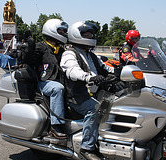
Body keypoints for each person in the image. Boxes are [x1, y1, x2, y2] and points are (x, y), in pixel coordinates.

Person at [60, 21, 114, 160]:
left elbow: (105, 68)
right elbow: (72, 71)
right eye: (86, 33)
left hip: (93, 93)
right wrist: (90, 78)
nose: (90, 35)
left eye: (91, 33)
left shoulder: (91, 54)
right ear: (76, 35)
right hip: (77, 97)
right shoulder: (69, 53)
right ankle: (87, 148)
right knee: (96, 110)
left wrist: (120, 72)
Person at [35, 19, 69, 139]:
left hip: (57, 80)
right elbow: (28, 58)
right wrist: (28, 49)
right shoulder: (39, 47)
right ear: (51, 30)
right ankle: (56, 126)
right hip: (42, 82)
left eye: (64, 31)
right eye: (60, 30)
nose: (63, 33)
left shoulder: (62, 50)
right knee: (57, 88)